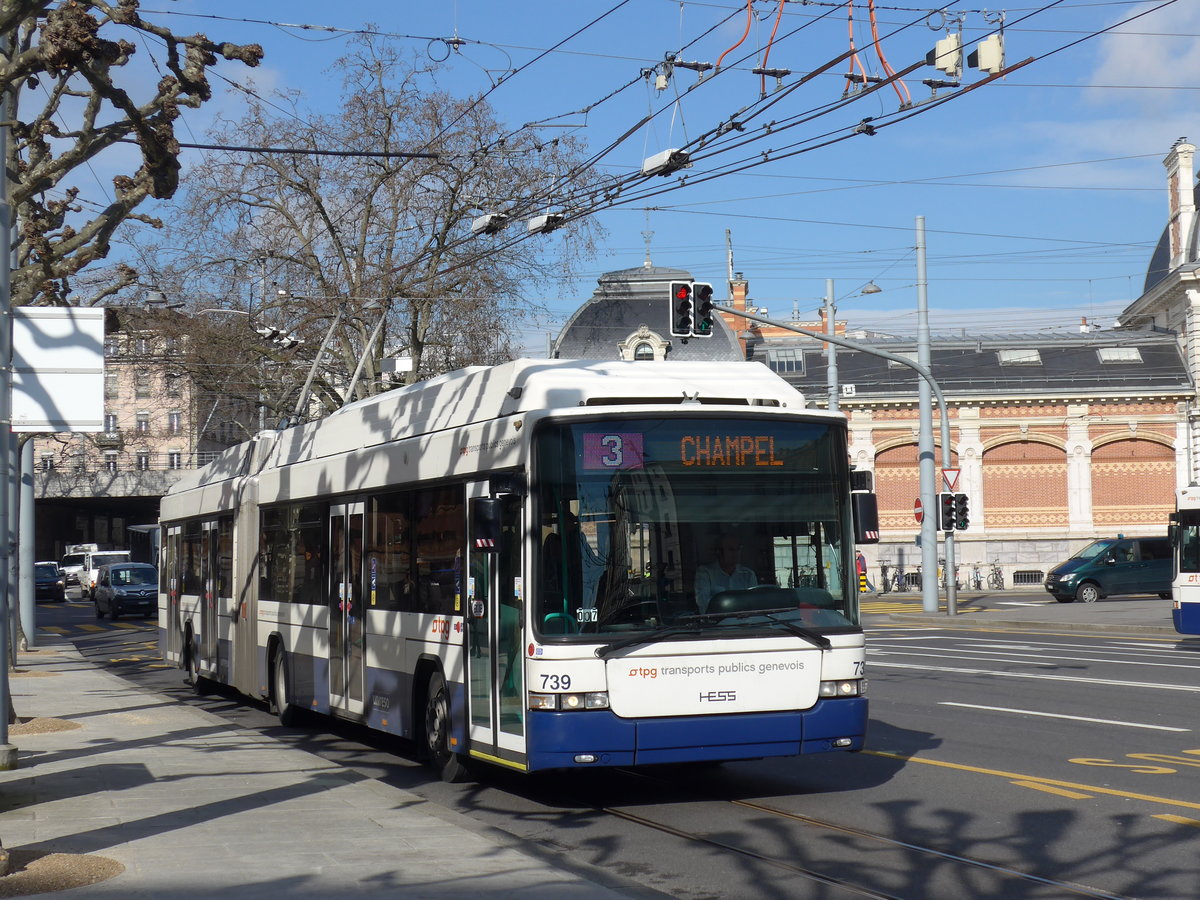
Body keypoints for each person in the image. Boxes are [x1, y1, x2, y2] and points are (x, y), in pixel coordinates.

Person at [694, 532, 757, 613]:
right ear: (718, 552)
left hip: (745, 623)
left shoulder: (748, 574)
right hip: (717, 624)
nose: (736, 553)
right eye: (731, 549)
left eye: (738, 549)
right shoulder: (705, 573)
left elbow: (754, 604)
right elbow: (703, 603)